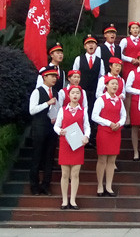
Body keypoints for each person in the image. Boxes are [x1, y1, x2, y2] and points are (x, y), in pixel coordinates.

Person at [54, 85, 90, 210]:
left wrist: (86, 136)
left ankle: (73, 200)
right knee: (65, 173)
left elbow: (87, 126)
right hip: (65, 143)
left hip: (78, 143)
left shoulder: (83, 110)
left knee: (75, 173)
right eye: (73, 93)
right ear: (68, 95)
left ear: (81, 96)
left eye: (77, 93)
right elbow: (56, 125)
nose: (75, 95)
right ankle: (64, 200)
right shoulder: (62, 109)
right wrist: (60, 131)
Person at [92, 75, 126, 197]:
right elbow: (94, 116)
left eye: (116, 84)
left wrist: (119, 123)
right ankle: (100, 185)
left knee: (112, 160)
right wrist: (109, 123)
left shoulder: (119, 100)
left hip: (116, 132)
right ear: (106, 85)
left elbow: (123, 116)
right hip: (104, 132)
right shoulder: (101, 99)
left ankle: (109, 186)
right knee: (102, 159)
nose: (115, 86)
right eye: (112, 84)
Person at [29, 66, 59, 195]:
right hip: (39, 127)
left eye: (55, 76)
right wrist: (47, 103)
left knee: (49, 157)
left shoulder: (56, 92)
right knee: (37, 156)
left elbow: (58, 108)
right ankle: (34, 185)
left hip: (51, 128)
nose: (54, 79)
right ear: (44, 77)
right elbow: (32, 110)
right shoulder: (37, 91)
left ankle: (46, 185)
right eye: (52, 76)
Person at [72, 35, 104, 140]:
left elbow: (102, 78)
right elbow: (74, 76)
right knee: (79, 115)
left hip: (94, 93)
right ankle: (77, 139)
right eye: (88, 43)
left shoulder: (100, 61)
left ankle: (91, 139)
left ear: (96, 46)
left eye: (93, 43)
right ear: (85, 46)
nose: (91, 45)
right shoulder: (78, 59)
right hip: (80, 92)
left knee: (92, 115)